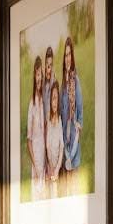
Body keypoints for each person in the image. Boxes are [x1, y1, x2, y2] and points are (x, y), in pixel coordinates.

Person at [60, 36, 84, 190]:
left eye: (70, 55)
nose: (67, 58)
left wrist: (78, 127)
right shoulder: (62, 84)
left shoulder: (76, 81)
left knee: (74, 190)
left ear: (72, 57)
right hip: (64, 145)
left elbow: (80, 113)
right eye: (65, 55)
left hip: (73, 147)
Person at [26, 56, 47, 200]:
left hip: (45, 159)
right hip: (36, 163)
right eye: (37, 74)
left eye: (41, 74)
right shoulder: (32, 104)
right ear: (35, 76)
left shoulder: (44, 101)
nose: (39, 78)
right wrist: (36, 166)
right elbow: (29, 140)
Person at [45, 81, 65, 199]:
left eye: (56, 99)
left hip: (57, 166)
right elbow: (47, 145)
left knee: (56, 193)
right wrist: (51, 167)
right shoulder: (48, 119)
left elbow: (61, 146)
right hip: (50, 165)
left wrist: (57, 168)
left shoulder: (59, 120)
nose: (54, 102)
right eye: (53, 98)